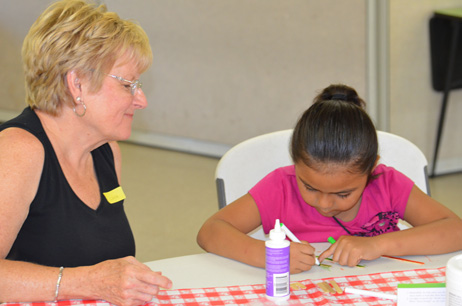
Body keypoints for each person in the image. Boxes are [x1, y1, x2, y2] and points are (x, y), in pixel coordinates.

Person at [0, 0, 172, 304]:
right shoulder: (17, 151)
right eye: (127, 85)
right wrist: (88, 282)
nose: (141, 100)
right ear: (76, 83)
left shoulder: (106, 151)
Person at [197, 84, 462, 274]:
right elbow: (210, 232)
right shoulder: (280, 186)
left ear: (372, 170)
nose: (324, 204)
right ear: (295, 164)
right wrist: (267, 255)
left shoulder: (388, 184)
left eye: (343, 194)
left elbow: (456, 230)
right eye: (310, 187)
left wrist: (378, 244)